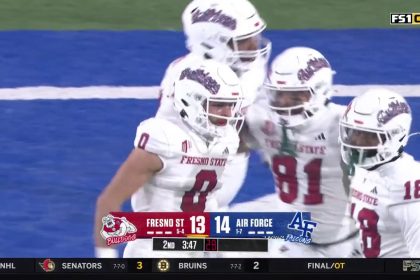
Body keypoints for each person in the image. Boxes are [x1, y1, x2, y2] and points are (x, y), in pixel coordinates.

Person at [94, 59, 244, 258]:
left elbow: (204, 199)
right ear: (191, 101)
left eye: (230, 105)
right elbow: (109, 201)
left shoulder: (226, 140)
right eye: (218, 105)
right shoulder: (164, 140)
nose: (227, 114)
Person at [132, 0, 272, 213]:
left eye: (253, 37)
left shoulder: (248, 67)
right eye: (243, 41)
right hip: (185, 186)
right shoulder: (190, 80)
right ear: (212, 44)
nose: (254, 46)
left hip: (217, 178)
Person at [230, 46, 359, 257]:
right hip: (294, 224)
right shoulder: (262, 120)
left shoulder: (346, 126)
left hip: (337, 235)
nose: (284, 102)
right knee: (211, 232)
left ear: (320, 91)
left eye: (296, 95)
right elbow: (233, 146)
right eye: (279, 94)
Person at [339, 88, 420, 257]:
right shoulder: (364, 170)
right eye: (354, 133)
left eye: (369, 136)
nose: (357, 143)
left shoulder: (407, 187)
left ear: (396, 137)